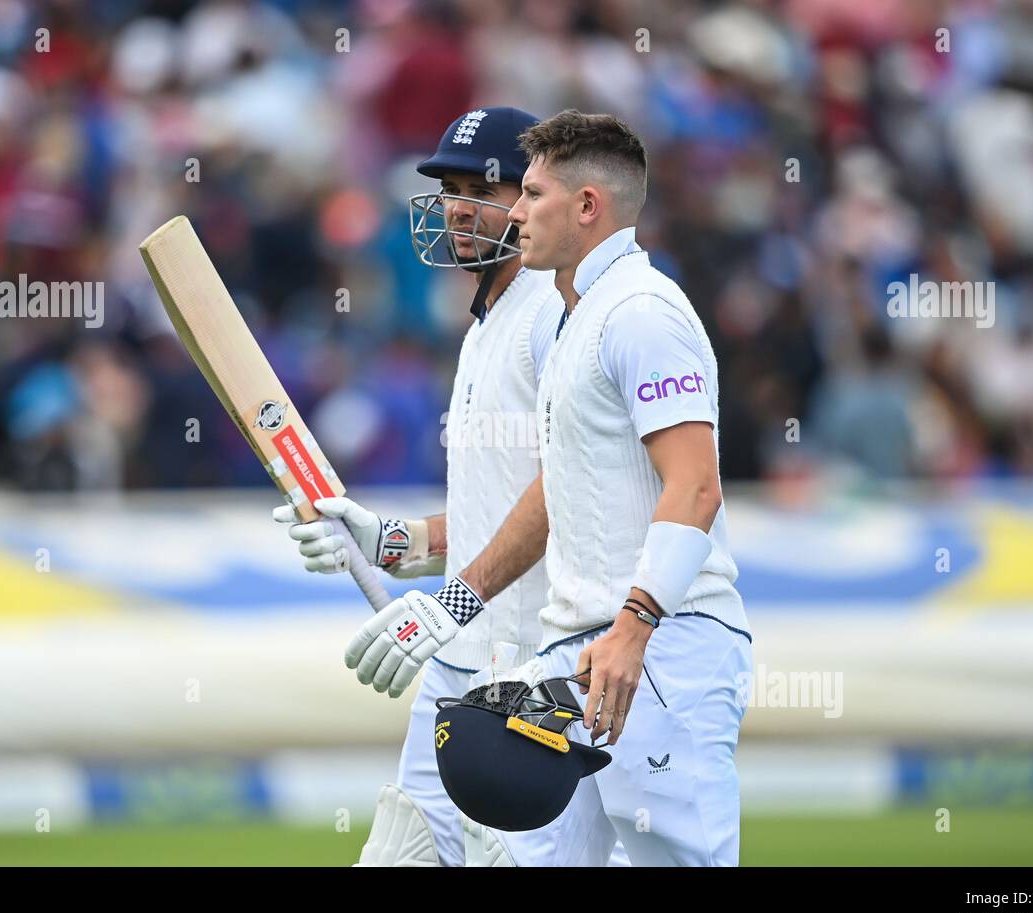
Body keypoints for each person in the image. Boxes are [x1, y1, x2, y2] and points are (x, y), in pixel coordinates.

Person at [346, 110, 753, 866]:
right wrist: (398, 543)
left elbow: (696, 487)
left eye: (527, 194)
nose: (517, 212)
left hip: (658, 646)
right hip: (574, 656)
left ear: (587, 206)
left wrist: (631, 629)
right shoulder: (570, 316)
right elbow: (560, 494)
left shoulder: (640, 311)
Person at [276, 107, 613, 867]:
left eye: (479, 188)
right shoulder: (484, 326)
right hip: (461, 668)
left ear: (530, 197)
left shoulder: (554, 319)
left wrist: (453, 600)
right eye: (448, 188)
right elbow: (491, 511)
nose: (457, 207)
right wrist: (392, 541)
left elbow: (567, 494)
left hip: (538, 676)